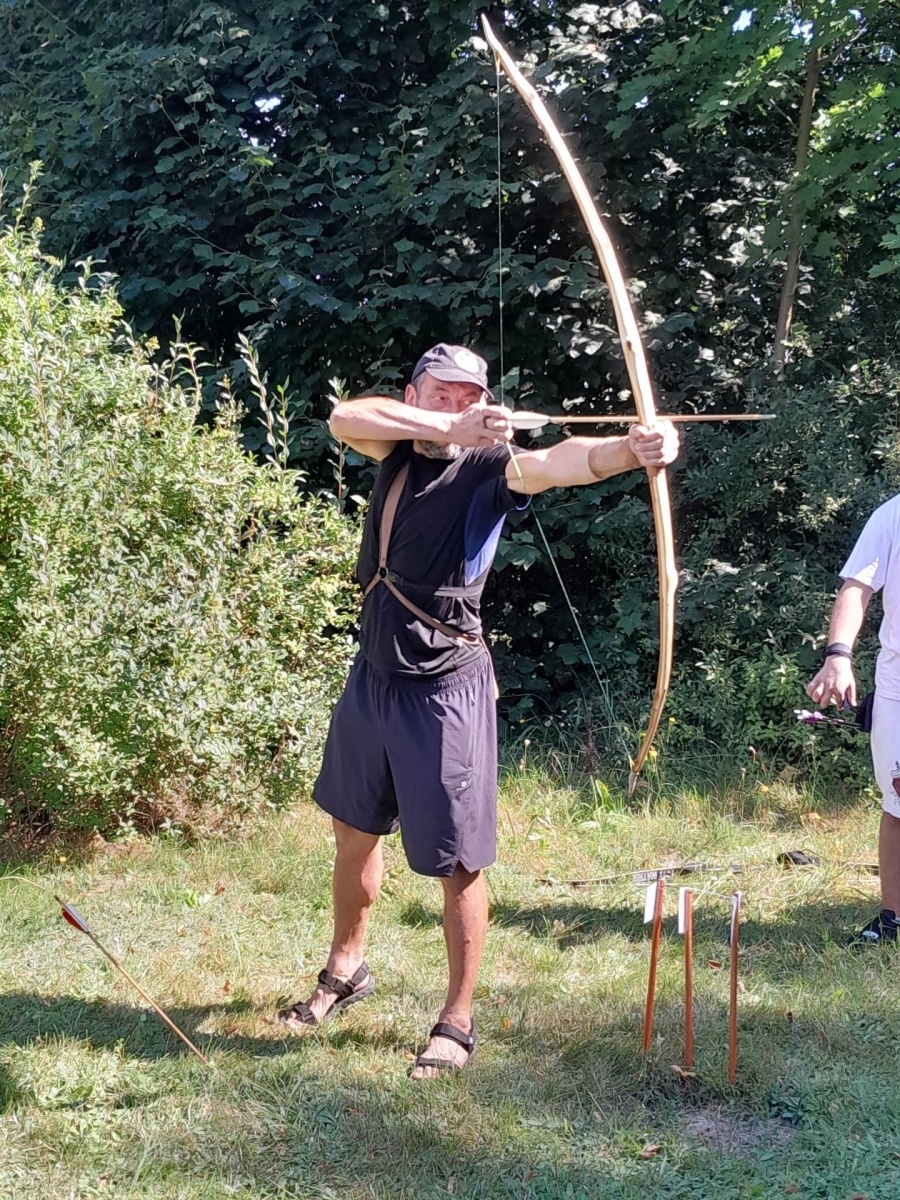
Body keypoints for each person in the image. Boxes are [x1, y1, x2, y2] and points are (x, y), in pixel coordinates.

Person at [279, 343, 680, 1076]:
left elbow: (565, 461)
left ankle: (456, 1020)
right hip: (373, 679)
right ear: (416, 392)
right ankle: (346, 968)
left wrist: (632, 447)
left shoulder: (496, 468)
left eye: (472, 397)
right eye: (443, 393)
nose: (458, 406)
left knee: (457, 861)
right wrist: (434, 427)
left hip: (443, 688)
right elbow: (344, 416)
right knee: (353, 832)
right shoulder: (395, 445)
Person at [806, 493, 900, 945]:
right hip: (899, 683)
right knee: (899, 801)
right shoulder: (893, 513)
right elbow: (856, 587)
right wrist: (838, 656)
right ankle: (894, 918)